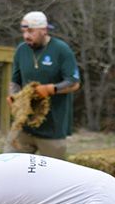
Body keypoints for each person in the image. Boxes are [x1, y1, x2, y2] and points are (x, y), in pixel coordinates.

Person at [4, 11, 81, 159]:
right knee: (8, 163)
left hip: (53, 130)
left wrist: (51, 89)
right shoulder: (22, 50)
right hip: (24, 126)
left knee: (53, 176)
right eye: (24, 31)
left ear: (44, 30)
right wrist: (14, 95)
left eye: (31, 31)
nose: (26, 36)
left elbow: (74, 82)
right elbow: (15, 80)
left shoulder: (61, 50)